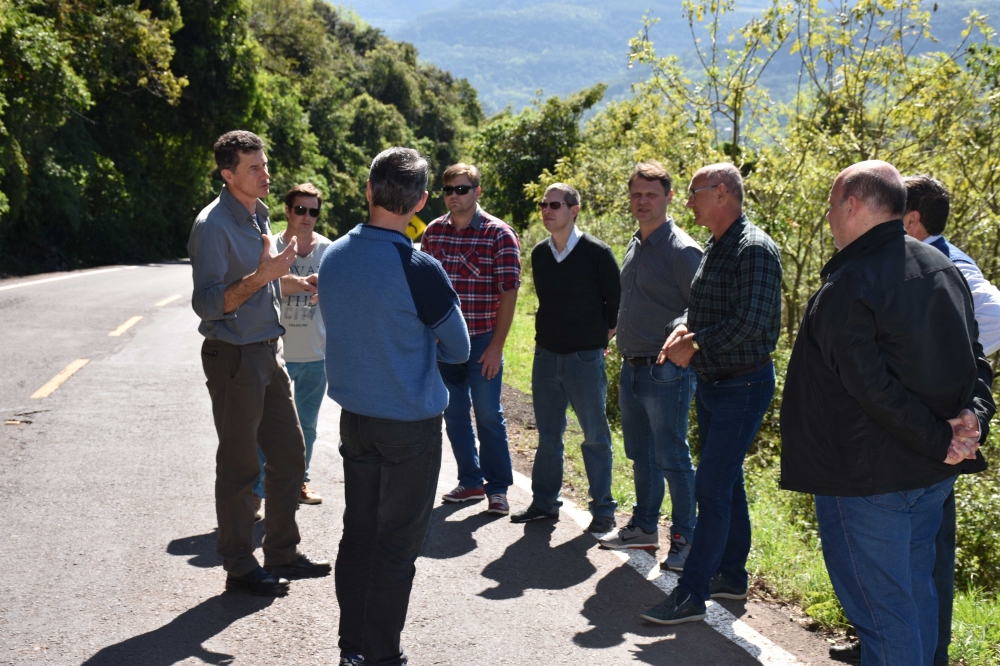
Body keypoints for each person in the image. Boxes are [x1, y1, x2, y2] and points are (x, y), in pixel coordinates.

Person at [780, 161, 995, 666]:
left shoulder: (849, 285)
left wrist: (945, 436)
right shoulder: (943, 268)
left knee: (885, 620)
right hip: (930, 476)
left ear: (852, 205)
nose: (830, 219)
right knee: (916, 602)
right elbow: (977, 362)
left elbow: (872, 390)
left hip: (867, 482)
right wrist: (973, 419)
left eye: (832, 208)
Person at [319, 147, 470, 666]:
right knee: (397, 545)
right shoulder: (419, 267)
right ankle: (382, 655)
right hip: (408, 424)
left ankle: (352, 649)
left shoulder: (334, 255)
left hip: (355, 419)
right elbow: (460, 347)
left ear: (368, 189)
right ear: (423, 202)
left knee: (358, 532)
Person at [188, 130, 331, 597]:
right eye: (254, 167)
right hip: (233, 357)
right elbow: (209, 303)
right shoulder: (212, 225)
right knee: (239, 466)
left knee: (290, 455)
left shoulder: (259, 214)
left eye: (265, 164)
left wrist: (292, 282)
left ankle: (282, 553)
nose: (265, 173)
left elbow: (264, 285)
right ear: (228, 175)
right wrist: (262, 276)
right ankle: (239, 567)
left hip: (269, 352)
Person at [641, 162, 782, 624]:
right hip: (714, 383)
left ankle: (692, 593)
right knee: (727, 480)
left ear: (722, 193)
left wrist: (695, 343)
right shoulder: (718, 246)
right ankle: (732, 577)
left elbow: (753, 323)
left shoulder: (755, 248)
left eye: (695, 192)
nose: (688, 201)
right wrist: (681, 327)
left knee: (712, 487)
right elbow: (700, 307)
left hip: (744, 384)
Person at [598, 162, 703, 570]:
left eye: (651, 194)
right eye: (637, 194)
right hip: (632, 366)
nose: (643, 202)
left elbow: (700, 307)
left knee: (672, 456)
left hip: (666, 370)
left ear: (669, 198)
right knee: (641, 453)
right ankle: (644, 529)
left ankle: (686, 541)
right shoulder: (635, 243)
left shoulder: (682, 249)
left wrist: (679, 336)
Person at [509, 183, 621, 535]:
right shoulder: (540, 254)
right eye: (543, 204)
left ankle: (603, 511)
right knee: (548, 435)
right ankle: (544, 502)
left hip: (584, 360)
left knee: (595, 436)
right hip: (545, 357)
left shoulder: (597, 253)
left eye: (555, 204)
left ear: (574, 210)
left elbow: (616, 309)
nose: (547, 209)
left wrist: (591, 342)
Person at [421, 163, 521, 516]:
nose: (454, 196)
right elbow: (424, 289)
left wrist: (497, 346)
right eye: (448, 190)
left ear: (477, 191)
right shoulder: (433, 233)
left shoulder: (499, 234)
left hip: (482, 342)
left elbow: (508, 294)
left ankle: (498, 489)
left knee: (489, 415)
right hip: (443, 343)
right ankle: (471, 481)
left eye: (462, 189)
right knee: (455, 414)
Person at [252, 183, 334, 513]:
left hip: (316, 354)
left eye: (313, 211)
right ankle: (257, 492)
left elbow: (341, 290)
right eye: (300, 209)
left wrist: (325, 287)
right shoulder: (271, 245)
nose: (307, 217)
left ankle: (300, 479)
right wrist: (303, 283)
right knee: (263, 427)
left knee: (308, 427)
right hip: (275, 354)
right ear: (287, 210)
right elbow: (263, 280)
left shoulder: (329, 250)